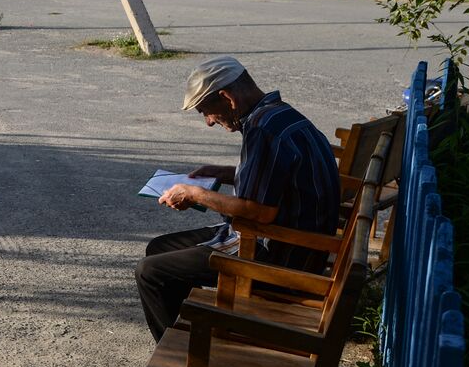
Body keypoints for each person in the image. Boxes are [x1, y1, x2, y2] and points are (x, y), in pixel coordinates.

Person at [135, 56, 340, 341]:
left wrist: (196, 193)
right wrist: (225, 173)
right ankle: (189, 338)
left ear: (227, 98)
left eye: (206, 111)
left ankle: (179, 361)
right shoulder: (280, 115)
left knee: (151, 272)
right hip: (296, 244)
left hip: (278, 255)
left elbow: (259, 212)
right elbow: (278, 178)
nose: (208, 122)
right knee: (159, 248)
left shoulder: (261, 129)